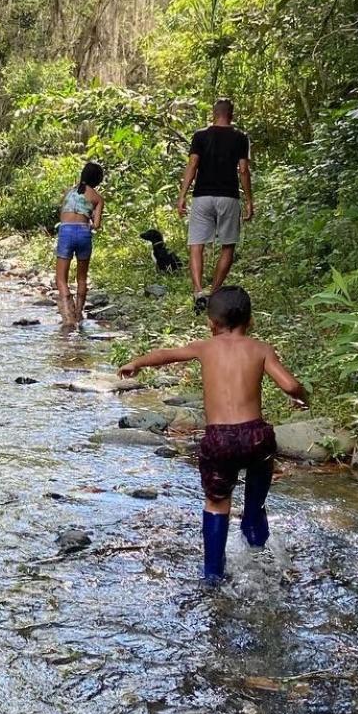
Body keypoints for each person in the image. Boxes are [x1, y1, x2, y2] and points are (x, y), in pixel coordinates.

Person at [117, 286, 307, 584]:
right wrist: (302, 397)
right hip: (256, 436)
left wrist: (136, 363)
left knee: (218, 502)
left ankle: (213, 575)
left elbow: (167, 355)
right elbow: (290, 385)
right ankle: (258, 545)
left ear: (211, 323)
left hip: (220, 439)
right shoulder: (261, 349)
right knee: (255, 499)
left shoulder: (205, 347)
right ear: (251, 320)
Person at [176, 99, 253, 316]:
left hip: (202, 197)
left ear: (213, 114)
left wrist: (182, 196)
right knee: (228, 246)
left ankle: (198, 291)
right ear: (232, 114)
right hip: (228, 197)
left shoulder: (200, 135)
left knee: (196, 244)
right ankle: (215, 292)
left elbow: (192, 164)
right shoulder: (240, 137)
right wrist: (248, 200)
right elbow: (244, 170)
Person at [55, 161, 104, 327]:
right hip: (83, 233)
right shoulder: (97, 198)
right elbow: (96, 225)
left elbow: (63, 212)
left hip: (66, 232)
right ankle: (79, 315)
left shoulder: (69, 192)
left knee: (61, 279)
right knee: (81, 278)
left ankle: (68, 318)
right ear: (98, 180)